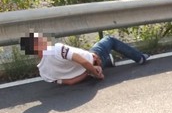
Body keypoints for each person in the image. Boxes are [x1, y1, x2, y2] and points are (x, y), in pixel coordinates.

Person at [20, 32, 148, 85]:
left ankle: (108, 60)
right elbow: (81, 60)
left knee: (95, 56)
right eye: (40, 39)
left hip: (88, 74)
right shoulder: (56, 49)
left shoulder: (43, 73)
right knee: (109, 40)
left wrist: (88, 74)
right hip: (94, 62)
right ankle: (140, 57)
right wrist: (94, 72)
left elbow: (69, 82)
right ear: (38, 45)